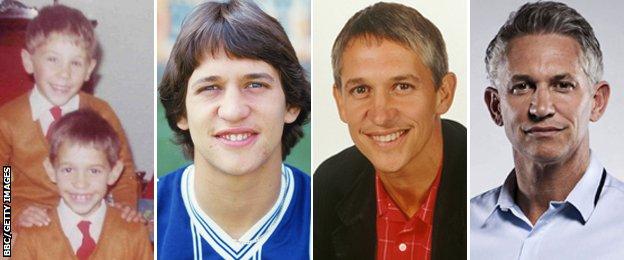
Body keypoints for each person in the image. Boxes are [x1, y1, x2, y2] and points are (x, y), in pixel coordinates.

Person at [157, 0, 311, 259]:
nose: (233, 110)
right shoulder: (146, 220)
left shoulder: (326, 213)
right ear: (180, 111)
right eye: (210, 88)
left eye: (255, 85)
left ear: (291, 103)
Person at [471, 2, 624, 259]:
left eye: (563, 85)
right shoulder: (466, 225)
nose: (541, 108)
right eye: (521, 86)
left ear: (597, 102)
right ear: (495, 106)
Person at [313, 2, 466, 259]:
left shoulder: (475, 189)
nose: (381, 116)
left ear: (443, 93)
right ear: (340, 102)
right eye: (361, 90)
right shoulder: (328, 188)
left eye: (402, 86)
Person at [0, 4, 140, 231]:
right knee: (5, 248)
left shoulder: (101, 112)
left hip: (88, 214)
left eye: (75, 62)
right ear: (28, 61)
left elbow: (122, 166)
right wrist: (15, 214)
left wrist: (125, 205)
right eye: (52, 60)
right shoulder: (7, 119)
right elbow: (3, 179)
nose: (64, 73)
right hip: (28, 220)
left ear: (89, 69)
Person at [12, 109, 152, 259]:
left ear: (114, 173)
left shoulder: (133, 233)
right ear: (51, 170)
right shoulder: (32, 234)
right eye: (68, 169)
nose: (80, 183)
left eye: (94, 171)